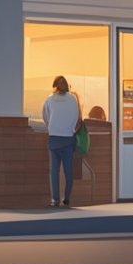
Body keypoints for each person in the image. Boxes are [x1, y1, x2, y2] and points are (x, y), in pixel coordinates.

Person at [42, 75, 82, 208]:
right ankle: (66, 199)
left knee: (54, 171)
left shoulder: (49, 100)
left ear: (55, 86)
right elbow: (77, 118)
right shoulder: (72, 99)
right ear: (67, 85)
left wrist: (51, 127)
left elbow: (45, 116)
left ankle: (55, 199)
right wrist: (70, 130)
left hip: (54, 138)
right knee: (68, 172)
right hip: (68, 138)